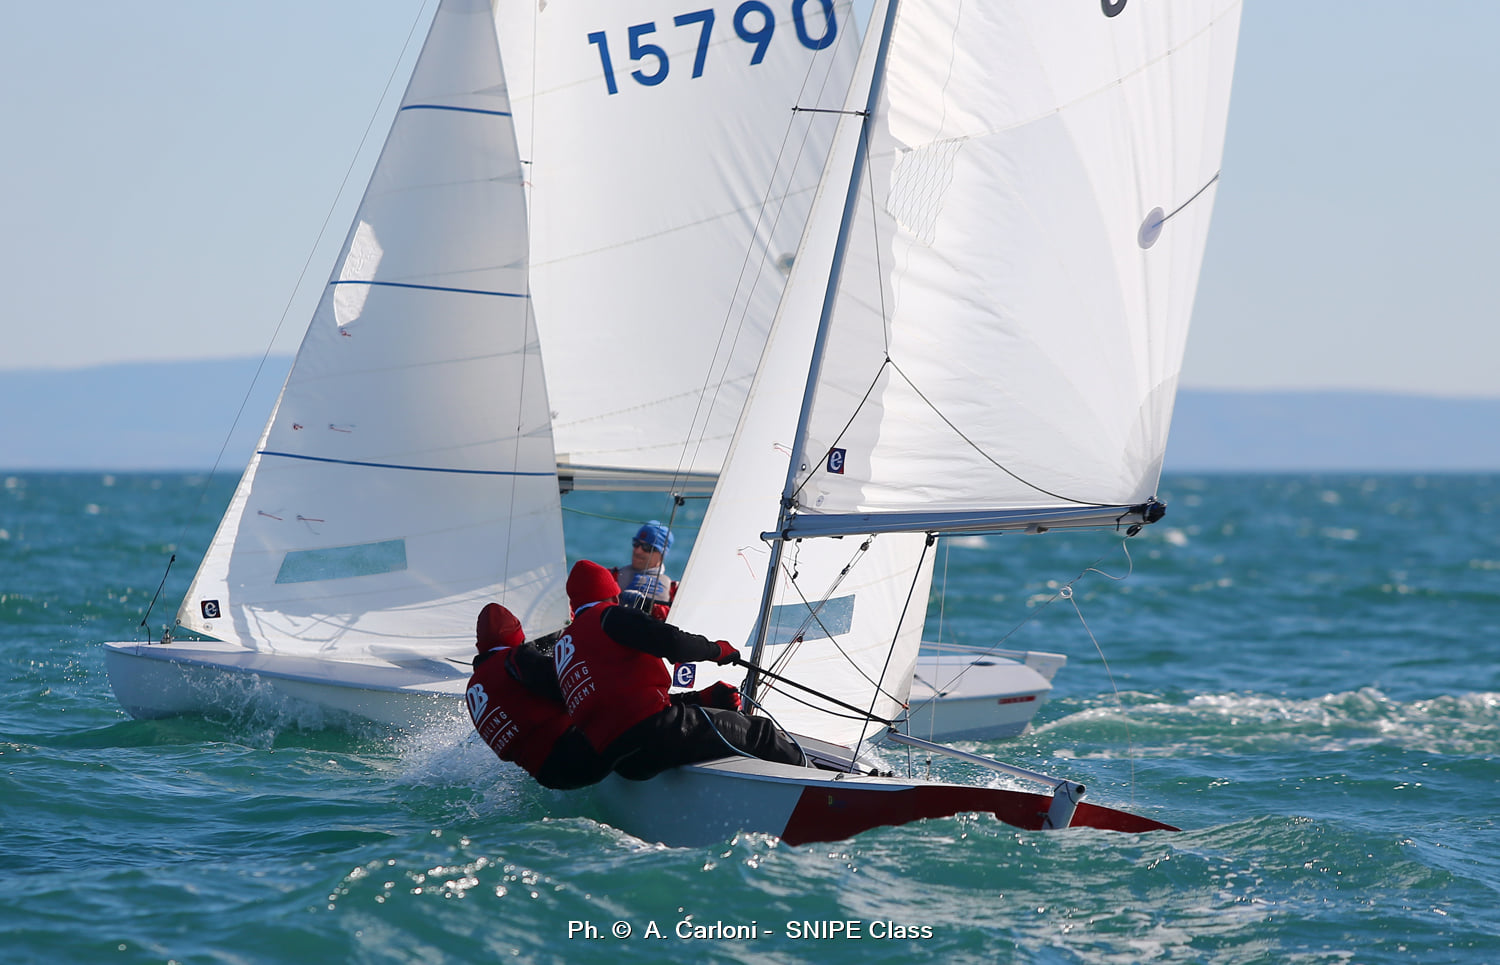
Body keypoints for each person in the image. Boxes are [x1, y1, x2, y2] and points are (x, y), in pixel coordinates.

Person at [555, 560, 806, 781]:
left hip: (620, 762)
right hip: (656, 736)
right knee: (761, 733)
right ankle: (815, 782)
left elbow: (620, 703)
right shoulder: (609, 617)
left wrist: (700, 698)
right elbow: (674, 643)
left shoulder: (562, 648)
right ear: (612, 595)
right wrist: (717, 650)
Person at [466, 602, 610, 790]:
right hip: (579, 754)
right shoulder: (514, 658)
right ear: (516, 635)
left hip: (546, 776)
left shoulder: (472, 688)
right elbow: (566, 686)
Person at [609, 520, 675, 617]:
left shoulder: (674, 590)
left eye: (647, 547)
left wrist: (649, 607)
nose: (638, 551)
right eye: (636, 544)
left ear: (662, 554)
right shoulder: (610, 576)